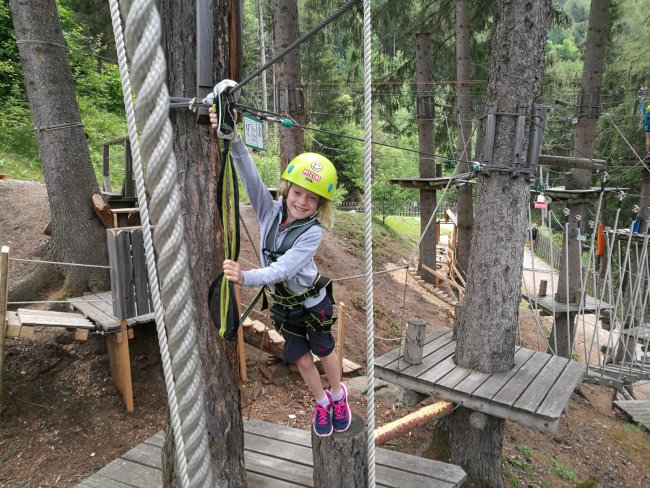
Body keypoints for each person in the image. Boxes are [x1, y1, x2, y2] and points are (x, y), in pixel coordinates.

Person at [210, 108, 351, 437]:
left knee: (325, 350)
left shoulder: (313, 232)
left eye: (311, 199)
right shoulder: (269, 211)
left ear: (320, 205)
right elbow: (249, 176)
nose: (302, 202)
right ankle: (321, 402)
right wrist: (233, 137)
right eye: (298, 193)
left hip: (313, 303)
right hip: (286, 306)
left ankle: (337, 395)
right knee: (302, 360)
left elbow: (284, 268)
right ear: (287, 190)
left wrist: (247, 277)